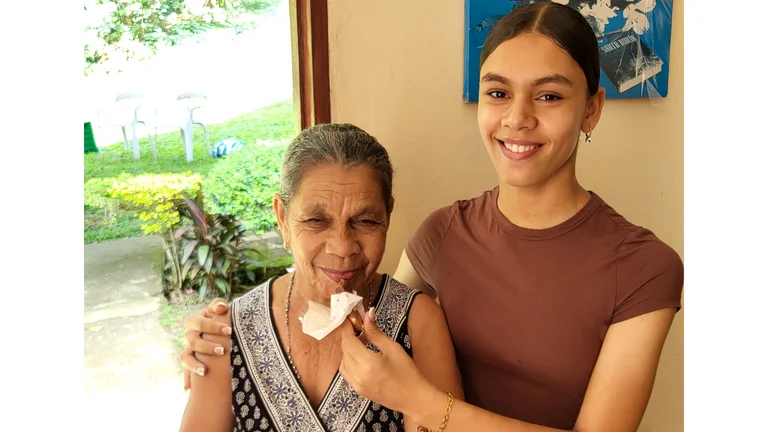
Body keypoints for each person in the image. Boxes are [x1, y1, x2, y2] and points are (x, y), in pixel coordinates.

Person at [181, 2, 684, 431]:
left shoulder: (644, 267)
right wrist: (216, 333)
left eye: (549, 95)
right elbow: (367, 309)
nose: (517, 118)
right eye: (498, 93)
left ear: (591, 109)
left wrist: (422, 402)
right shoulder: (443, 234)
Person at [178, 123, 463, 432]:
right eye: (316, 220)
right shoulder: (228, 333)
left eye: (365, 221)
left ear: (387, 216)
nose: (342, 247)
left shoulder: (418, 324)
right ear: (282, 218)